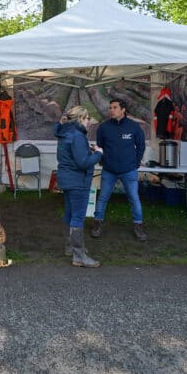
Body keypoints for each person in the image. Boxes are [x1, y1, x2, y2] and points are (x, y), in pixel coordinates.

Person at [54, 106, 103, 268]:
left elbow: (71, 155)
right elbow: (83, 163)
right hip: (78, 181)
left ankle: (70, 247)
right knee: (78, 216)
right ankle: (79, 255)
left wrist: (87, 151)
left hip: (66, 179)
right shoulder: (78, 136)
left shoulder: (65, 133)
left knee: (69, 213)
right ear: (80, 119)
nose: (89, 121)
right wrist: (98, 154)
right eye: (87, 118)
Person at [92, 99, 147, 241]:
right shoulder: (103, 128)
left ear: (123, 110)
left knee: (134, 198)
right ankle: (97, 224)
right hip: (109, 171)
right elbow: (100, 147)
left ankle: (138, 226)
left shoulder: (134, 127)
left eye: (115, 107)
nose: (111, 110)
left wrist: (135, 164)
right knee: (103, 197)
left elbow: (141, 146)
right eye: (110, 107)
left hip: (129, 170)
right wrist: (104, 162)